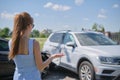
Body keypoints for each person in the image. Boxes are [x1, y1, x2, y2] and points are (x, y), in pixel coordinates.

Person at [8, 12, 64, 80]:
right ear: (29, 26)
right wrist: (52, 57)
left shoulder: (11, 42)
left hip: (17, 77)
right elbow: (40, 67)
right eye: (33, 25)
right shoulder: (34, 43)